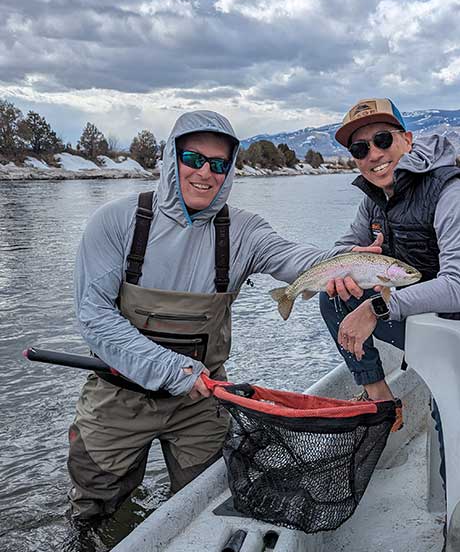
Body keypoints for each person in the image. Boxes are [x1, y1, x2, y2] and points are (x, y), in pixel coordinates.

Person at [68, 109, 380, 520]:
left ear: (230, 170)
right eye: (193, 159)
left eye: (218, 164)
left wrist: (346, 262)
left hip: (204, 401)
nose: (205, 173)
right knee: (92, 511)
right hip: (118, 398)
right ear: (169, 159)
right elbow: (95, 319)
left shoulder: (244, 231)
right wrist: (175, 369)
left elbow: (295, 258)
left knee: (206, 504)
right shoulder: (115, 223)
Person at [320, 97, 460, 403]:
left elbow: (459, 288)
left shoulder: (452, 192)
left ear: (408, 140)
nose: (374, 154)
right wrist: (351, 260)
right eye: (360, 149)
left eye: (383, 139)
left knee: (453, 432)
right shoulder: (372, 201)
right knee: (333, 298)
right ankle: (381, 400)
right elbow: (340, 249)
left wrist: (376, 308)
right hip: (428, 320)